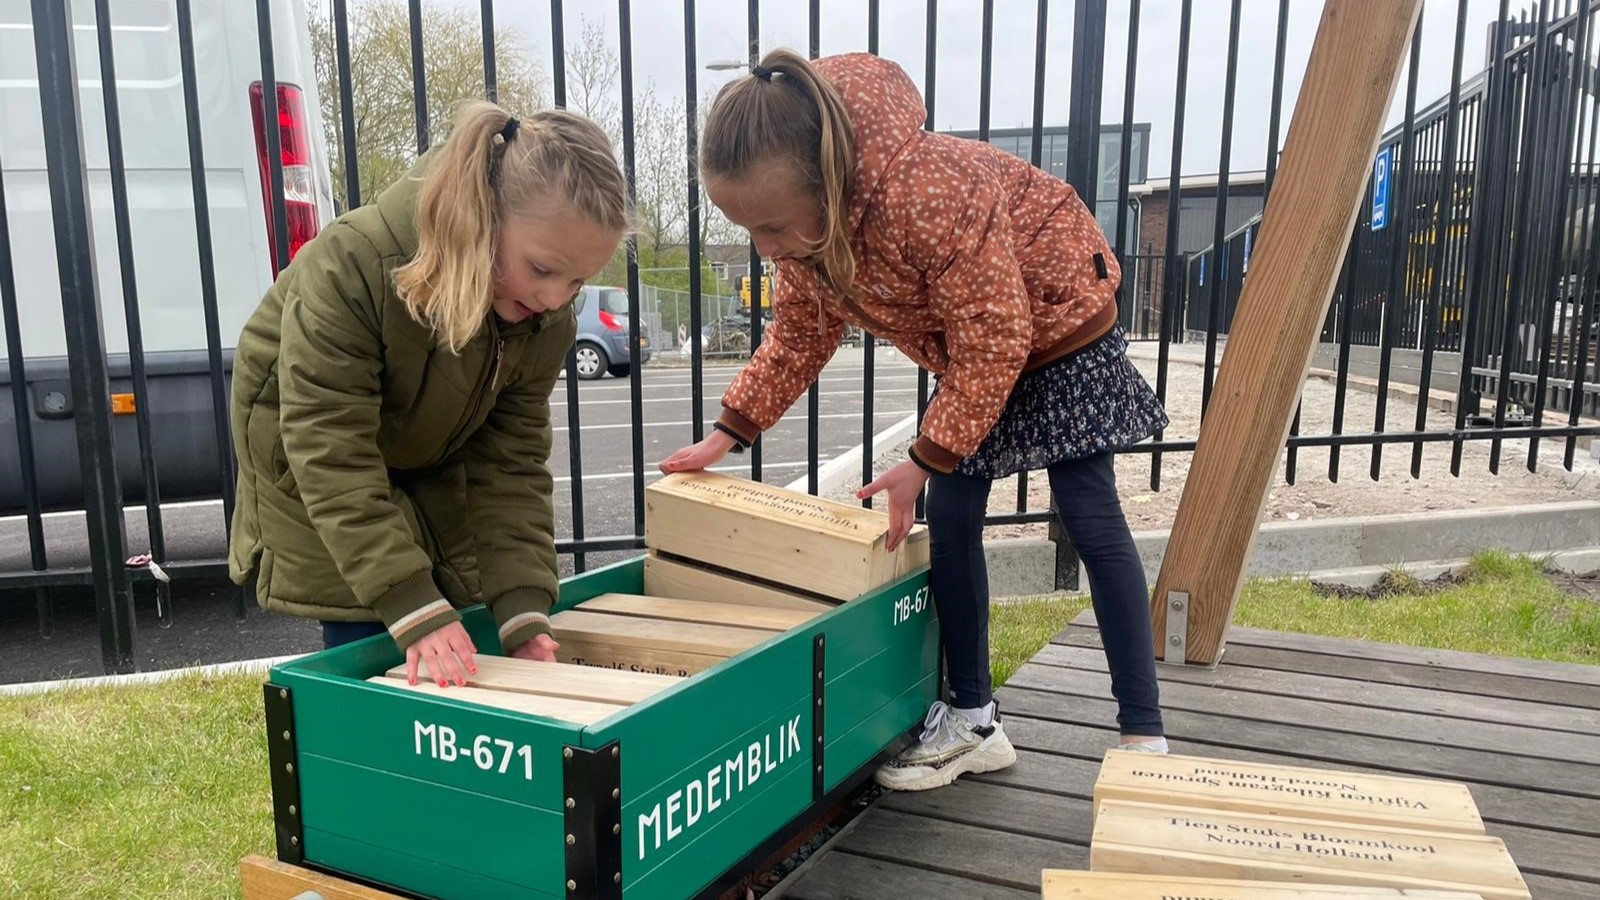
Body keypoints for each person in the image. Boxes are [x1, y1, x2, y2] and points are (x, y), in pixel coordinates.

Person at [660, 50, 1169, 792]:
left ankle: (1143, 733)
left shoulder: (926, 190)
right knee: (954, 515)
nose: (765, 250)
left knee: (1089, 510)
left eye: (770, 226)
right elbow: (800, 335)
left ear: (827, 183)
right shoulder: (805, 239)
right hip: (979, 342)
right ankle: (974, 719)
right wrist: (728, 431)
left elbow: (999, 332)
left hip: (1056, 314)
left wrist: (927, 454)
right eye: (749, 232)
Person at [228, 102, 629, 687]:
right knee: (375, 622)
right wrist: (411, 605)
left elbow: (510, 463)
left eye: (577, 281)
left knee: (463, 611)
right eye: (542, 268)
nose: (554, 297)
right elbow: (330, 447)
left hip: (427, 440)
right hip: (303, 445)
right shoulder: (353, 263)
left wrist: (524, 610)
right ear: (480, 217)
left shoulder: (546, 313)